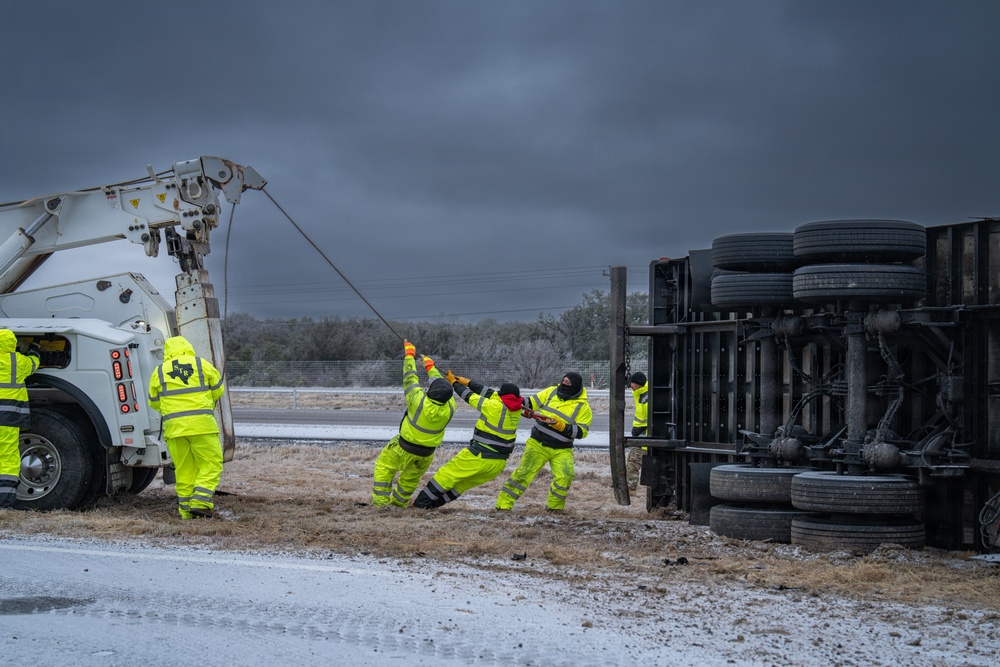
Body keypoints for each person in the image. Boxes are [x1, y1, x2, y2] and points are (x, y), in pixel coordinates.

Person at [413, 374, 523, 509]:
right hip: (498, 464)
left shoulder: (493, 406)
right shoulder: (516, 409)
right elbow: (490, 393)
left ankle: (420, 505)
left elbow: (469, 397)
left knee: (446, 475)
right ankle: (432, 506)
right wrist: (468, 382)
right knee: (460, 486)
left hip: (480, 456)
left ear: (502, 396)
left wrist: (454, 384)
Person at [147, 335, 226, 520]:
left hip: (174, 430)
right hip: (202, 426)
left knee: (184, 470)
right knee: (211, 463)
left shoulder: (159, 371)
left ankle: (186, 512)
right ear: (188, 347)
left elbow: (154, 402)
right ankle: (200, 503)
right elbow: (218, 390)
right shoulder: (201, 364)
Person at [372, 339, 455, 507]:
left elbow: (410, 377)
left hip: (403, 448)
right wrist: (430, 366)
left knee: (384, 467)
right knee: (409, 480)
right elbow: (442, 386)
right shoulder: (451, 406)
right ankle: (398, 504)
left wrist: (409, 355)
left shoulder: (418, 401)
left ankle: (381, 505)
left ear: (431, 392)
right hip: (426, 454)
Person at [495, 371, 592, 512]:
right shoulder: (552, 392)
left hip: (562, 449)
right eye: (563, 381)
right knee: (524, 473)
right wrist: (516, 402)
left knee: (565, 476)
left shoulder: (583, 407)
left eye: (568, 383)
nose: (564, 384)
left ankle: (555, 508)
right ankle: (503, 504)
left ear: (576, 386)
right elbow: (531, 402)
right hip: (538, 443)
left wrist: (562, 426)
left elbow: (582, 432)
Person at [0, 330, 39, 510]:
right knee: (7, 458)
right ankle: (4, 502)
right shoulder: (18, 361)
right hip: (8, 418)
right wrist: (35, 348)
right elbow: (34, 363)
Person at [625, 371, 648, 492]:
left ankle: (630, 485)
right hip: (644, 435)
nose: (630, 387)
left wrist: (637, 431)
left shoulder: (645, 398)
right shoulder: (641, 393)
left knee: (633, 461)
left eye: (632, 384)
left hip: (645, 436)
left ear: (638, 384)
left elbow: (645, 419)